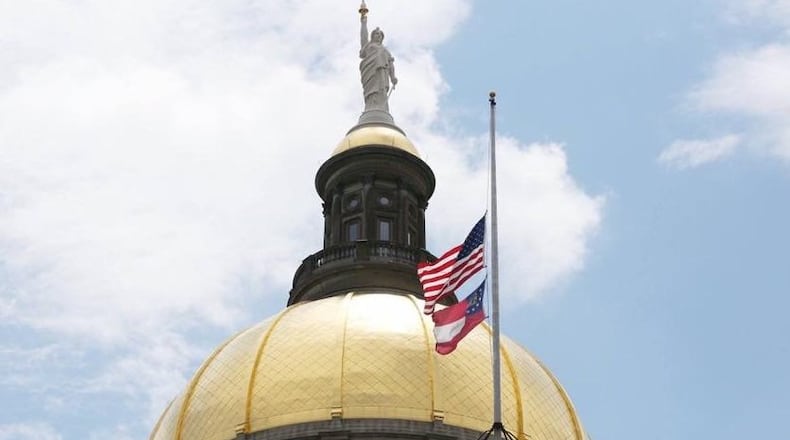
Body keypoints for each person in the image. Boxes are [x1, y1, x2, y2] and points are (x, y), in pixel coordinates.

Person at [359, 13, 397, 112]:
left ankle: (382, 110)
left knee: (381, 90)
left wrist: (393, 77)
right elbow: (363, 37)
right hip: (369, 72)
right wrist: (364, 24)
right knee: (371, 91)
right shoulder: (368, 46)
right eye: (376, 34)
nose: (379, 36)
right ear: (372, 36)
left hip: (382, 73)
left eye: (380, 35)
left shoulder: (385, 50)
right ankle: (370, 109)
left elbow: (391, 65)